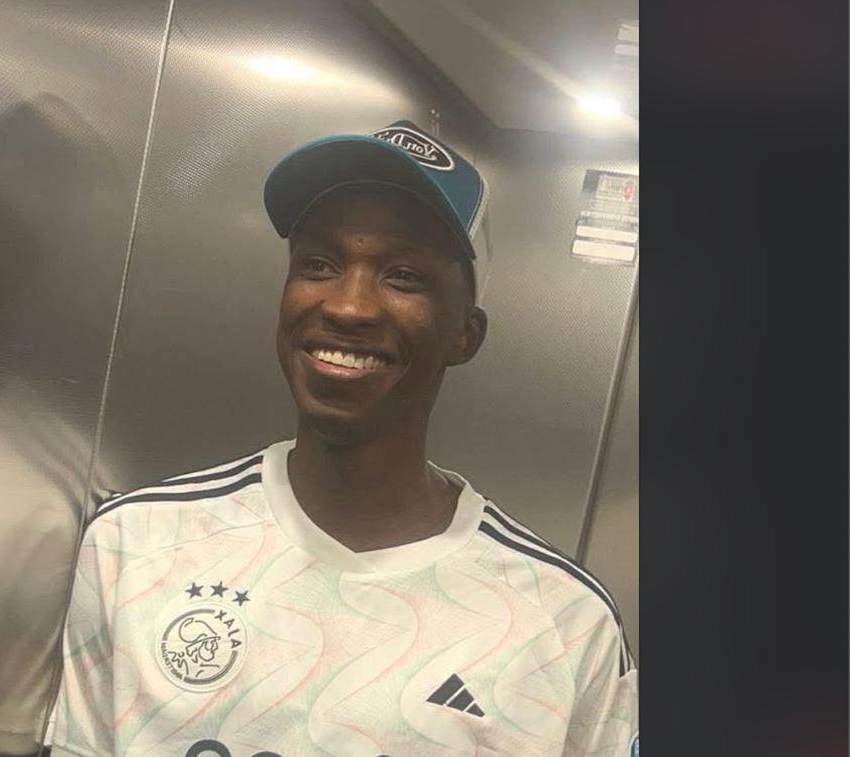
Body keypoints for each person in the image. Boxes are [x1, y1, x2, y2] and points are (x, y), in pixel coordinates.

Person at [47, 120, 638, 757]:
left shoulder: (566, 625)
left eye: (404, 276)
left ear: (465, 335)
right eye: (320, 265)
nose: (348, 306)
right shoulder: (138, 544)